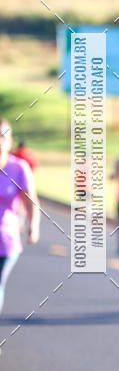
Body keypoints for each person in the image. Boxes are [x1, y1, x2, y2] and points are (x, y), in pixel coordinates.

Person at [0, 119, 40, 317]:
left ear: (10, 141)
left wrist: (33, 227)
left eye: (3, 136)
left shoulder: (19, 168)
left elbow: (31, 202)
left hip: (6, 240)